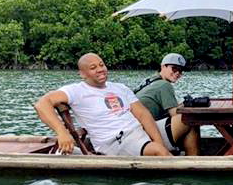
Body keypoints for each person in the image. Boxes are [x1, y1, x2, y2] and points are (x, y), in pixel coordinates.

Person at [34, 52, 174, 157]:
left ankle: (190, 167)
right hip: (116, 141)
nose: (100, 69)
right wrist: (62, 132)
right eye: (93, 67)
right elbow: (42, 104)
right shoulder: (76, 91)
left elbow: (143, 115)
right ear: (82, 74)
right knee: (158, 151)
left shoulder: (119, 87)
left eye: (102, 65)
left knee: (185, 122)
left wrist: (158, 141)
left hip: (139, 131)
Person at [134, 53, 201, 156]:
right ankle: (194, 163)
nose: (178, 73)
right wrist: (190, 105)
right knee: (190, 120)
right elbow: (174, 114)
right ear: (163, 66)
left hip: (136, 131)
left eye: (180, 71)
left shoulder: (150, 81)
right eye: (174, 69)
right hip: (144, 135)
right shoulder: (164, 85)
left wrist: (185, 104)